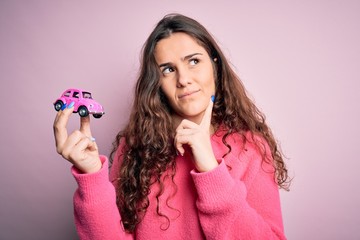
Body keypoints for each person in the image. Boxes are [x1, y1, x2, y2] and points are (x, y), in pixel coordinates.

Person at [53, 13, 290, 240]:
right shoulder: (136, 147)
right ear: (156, 84)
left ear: (215, 65)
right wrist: (92, 176)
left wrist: (210, 169)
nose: (183, 79)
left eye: (194, 61)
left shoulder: (251, 148)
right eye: (168, 69)